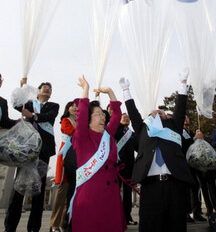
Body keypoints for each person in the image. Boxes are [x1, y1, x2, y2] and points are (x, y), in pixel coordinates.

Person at [120, 69, 194, 232]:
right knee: (150, 225)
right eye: (153, 112)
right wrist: (126, 91)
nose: (158, 112)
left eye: (161, 112)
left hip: (175, 182)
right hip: (150, 184)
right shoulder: (143, 129)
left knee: (176, 224)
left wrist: (183, 83)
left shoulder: (174, 126)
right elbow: (133, 113)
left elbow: (180, 108)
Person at [70, 75, 126, 232]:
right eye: (98, 114)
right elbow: (80, 115)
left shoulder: (107, 134)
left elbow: (116, 115)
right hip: (90, 195)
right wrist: (86, 89)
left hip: (111, 195)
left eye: (103, 114)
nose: (103, 117)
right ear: (88, 119)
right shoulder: (82, 137)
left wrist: (110, 93)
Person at [5, 78, 59, 232]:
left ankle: (34, 228)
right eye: (44, 88)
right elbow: (16, 105)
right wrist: (22, 87)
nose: (47, 90)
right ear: (38, 90)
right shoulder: (29, 103)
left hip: (43, 150)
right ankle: (10, 226)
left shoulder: (53, 106)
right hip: (26, 148)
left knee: (38, 191)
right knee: (18, 188)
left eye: (49, 89)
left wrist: (33, 116)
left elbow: (49, 116)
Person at [50, 101, 78, 232]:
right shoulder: (65, 120)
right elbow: (71, 132)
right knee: (63, 189)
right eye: (71, 106)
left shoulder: (81, 122)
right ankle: (54, 224)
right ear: (67, 109)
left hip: (76, 156)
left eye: (77, 107)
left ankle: (64, 222)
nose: (74, 108)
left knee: (71, 190)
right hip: (66, 155)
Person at [182, 116, 207, 222]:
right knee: (186, 190)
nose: (186, 120)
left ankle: (197, 212)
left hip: (194, 164)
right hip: (184, 164)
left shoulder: (192, 132)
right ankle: (187, 212)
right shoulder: (179, 132)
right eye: (184, 118)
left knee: (196, 188)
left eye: (187, 118)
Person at [115, 112, 138, 226]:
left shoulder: (132, 134)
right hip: (117, 166)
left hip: (129, 167)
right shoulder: (116, 131)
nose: (126, 118)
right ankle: (115, 215)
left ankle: (127, 215)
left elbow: (139, 147)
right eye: (123, 117)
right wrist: (119, 124)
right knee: (116, 192)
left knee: (128, 193)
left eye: (128, 117)